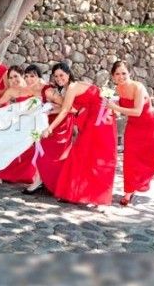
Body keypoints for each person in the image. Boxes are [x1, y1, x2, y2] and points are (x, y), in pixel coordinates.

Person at [43, 62, 117, 206]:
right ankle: (78, 193)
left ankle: (86, 194)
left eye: (61, 75)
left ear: (68, 74)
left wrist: (50, 128)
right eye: (56, 76)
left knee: (87, 155)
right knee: (84, 155)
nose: (59, 78)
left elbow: (65, 110)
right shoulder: (70, 88)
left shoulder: (72, 87)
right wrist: (48, 111)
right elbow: (69, 108)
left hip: (98, 121)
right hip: (95, 119)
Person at [107, 61, 154, 206]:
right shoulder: (118, 88)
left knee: (151, 153)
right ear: (113, 76)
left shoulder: (138, 87)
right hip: (133, 126)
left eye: (124, 73)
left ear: (129, 73)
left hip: (149, 124)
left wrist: (115, 107)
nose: (121, 77)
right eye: (117, 74)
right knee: (130, 157)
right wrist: (112, 109)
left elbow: (137, 111)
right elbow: (122, 108)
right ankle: (129, 191)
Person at [21, 64, 74, 195]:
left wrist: (48, 110)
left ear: (39, 77)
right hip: (46, 123)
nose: (29, 79)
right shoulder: (33, 90)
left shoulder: (48, 91)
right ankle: (41, 180)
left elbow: (69, 108)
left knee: (48, 153)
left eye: (32, 76)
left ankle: (45, 181)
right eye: (26, 76)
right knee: (41, 151)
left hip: (59, 124)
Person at [0, 66, 36, 185]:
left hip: (32, 123)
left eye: (16, 76)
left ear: (23, 75)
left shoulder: (33, 88)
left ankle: (24, 175)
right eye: (10, 78)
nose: (13, 80)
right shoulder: (11, 91)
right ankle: (1, 174)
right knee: (10, 146)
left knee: (29, 150)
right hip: (17, 122)